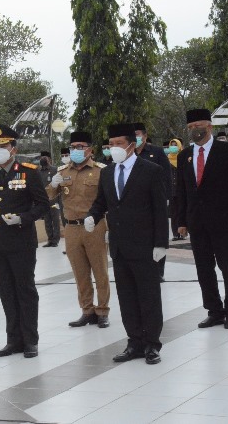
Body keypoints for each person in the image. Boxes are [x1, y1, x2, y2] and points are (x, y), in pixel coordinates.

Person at [85, 123, 168, 365]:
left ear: (132, 144)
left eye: (119, 144)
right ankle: (134, 342)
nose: (114, 148)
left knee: (149, 296)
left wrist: (161, 243)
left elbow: (159, 210)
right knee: (127, 297)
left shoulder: (150, 170)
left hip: (146, 246)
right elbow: (102, 202)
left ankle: (152, 343)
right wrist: (92, 216)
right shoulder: (107, 172)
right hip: (120, 247)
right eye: (111, 144)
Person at [0, 124, 50, 358]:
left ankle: (30, 340)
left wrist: (23, 218)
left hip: (21, 241)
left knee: (24, 290)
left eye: (2, 146)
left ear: (13, 148)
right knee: (6, 292)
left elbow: (43, 205)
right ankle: (13, 340)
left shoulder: (28, 172)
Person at [177, 109, 228, 330]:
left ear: (209, 126)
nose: (194, 130)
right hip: (197, 222)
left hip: (225, 221)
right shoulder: (184, 155)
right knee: (204, 268)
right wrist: (180, 221)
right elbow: (181, 191)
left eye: (197, 125)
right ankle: (214, 310)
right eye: (190, 127)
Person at [47, 131, 110, 328]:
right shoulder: (63, 172)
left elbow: (110, 198)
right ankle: (87, 310)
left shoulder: (101, 170)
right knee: (80, 272)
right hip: (71, 228)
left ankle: (102, 311)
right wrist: (52, 184)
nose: (76, 150)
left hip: (95, 226)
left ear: (90, 150)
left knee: (100, 271)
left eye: (81, 146)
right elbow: (47, 197)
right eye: (73, 147)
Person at [134, 123, 172, 282]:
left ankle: (158, 271)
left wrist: (167, 197)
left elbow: (166, 175)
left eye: (137, 134)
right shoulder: (130, 154)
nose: (135, 138)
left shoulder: (156, 152)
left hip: (156, 200)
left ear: (144, 135)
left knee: (158, 235)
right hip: (137, 202)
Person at [38, 151, 60, 247]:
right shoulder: (38, 172)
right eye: (41, 157)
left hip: (54, 199)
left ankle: (55, 240)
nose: (43, 159)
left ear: (49, 159)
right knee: (47, 221)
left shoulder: (55, 170)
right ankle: (50, 240)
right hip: (44, 200)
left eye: (45, 157)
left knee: (55, 220)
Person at [165, 139, 185, 241]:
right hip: (171, 190)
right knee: (174, 213)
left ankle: (183, 232)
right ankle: (175, 234)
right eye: (171, 145)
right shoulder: (167, 159)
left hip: (181, 189)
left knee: (182, 211)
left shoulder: (183, 158)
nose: (173, 147)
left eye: (175, 145)